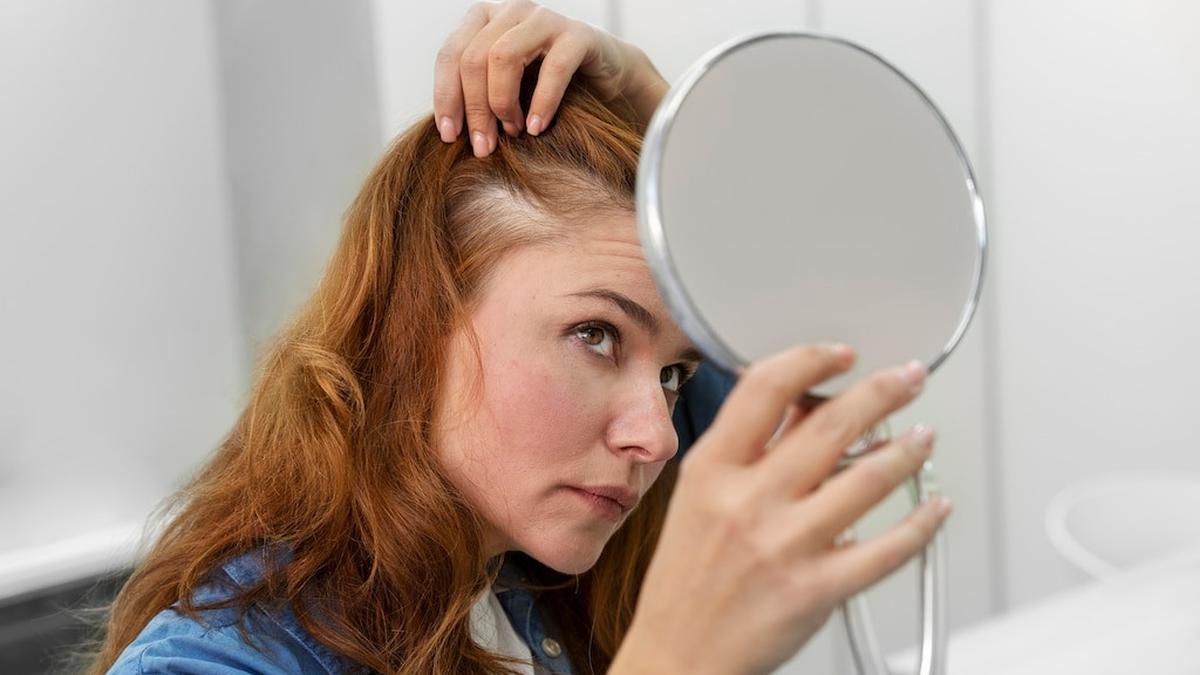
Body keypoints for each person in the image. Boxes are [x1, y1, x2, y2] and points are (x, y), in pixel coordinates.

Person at [89, 3, 950, 674]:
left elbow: (821, 341)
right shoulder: (219, 660)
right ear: (415, 321)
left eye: (677, 375)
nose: (654, 436)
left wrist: (668, 126)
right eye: (595, 335)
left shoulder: (523, 571)